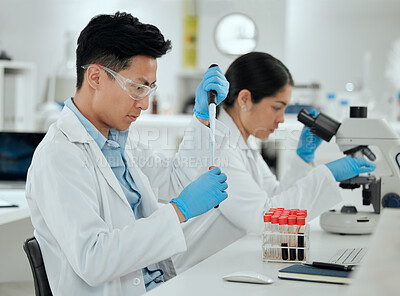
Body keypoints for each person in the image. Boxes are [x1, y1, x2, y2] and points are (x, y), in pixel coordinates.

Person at [25, 12, 230, 295]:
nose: (145, 103)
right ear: (95, 76)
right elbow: (93, 259)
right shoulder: (59, 156)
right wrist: (178, 212)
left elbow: (176, 183)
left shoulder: (118, 142)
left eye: (150, 88)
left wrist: (202, 118)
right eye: (137, 88)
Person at [171, 51, 376, 273]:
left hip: (221, 266)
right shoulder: (219, 150)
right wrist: (327, 173)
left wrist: (303, 159)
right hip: (193, 273)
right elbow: (264, 218)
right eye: (277, 107)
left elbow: (275, 198)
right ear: (245, 99)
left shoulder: (244, 144)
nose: (280, 119)